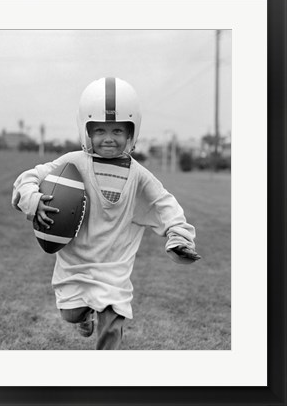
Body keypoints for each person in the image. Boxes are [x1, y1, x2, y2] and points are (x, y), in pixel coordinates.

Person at [12, 77, 201, 350]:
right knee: (70, 313)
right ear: (85, 129)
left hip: (114, 267)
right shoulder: (72, 162)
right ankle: (82, 316)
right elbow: (29, 177)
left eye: (117, 131)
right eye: (99, 130)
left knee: (113, 320)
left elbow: (163, 203)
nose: (108, 138)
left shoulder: (138, 175)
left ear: (131, 133)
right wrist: (34, 200)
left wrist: (179, 236)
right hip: (75, 264)